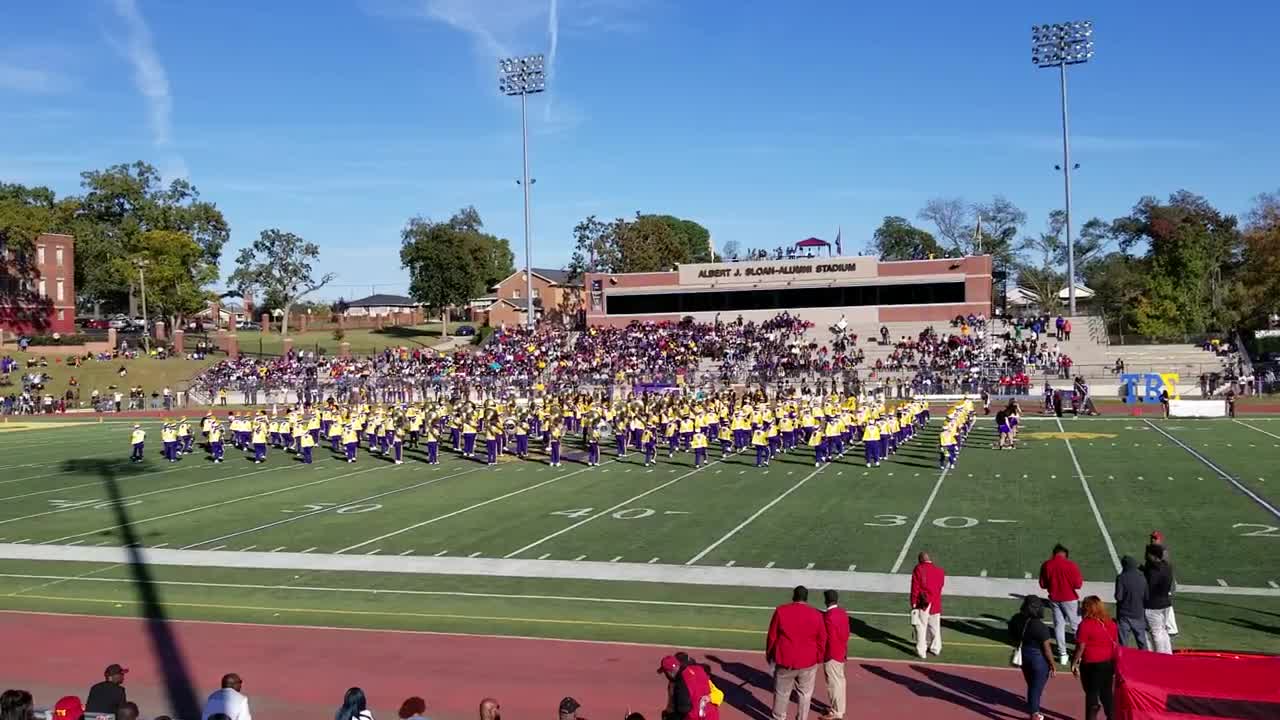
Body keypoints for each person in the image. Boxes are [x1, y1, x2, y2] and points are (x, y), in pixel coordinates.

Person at [766, 586, 826, 720]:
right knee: (805, 694)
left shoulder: (781, 611)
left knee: (782, 693)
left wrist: (770, 655)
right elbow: (822, 638)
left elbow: (772, 636)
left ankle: (778, 718)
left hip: (785, 659)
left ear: (794, 596)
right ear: (806, 598)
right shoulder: (816, 614)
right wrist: (819, 657)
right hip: (808, 661)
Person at [1071, 596, 1118, 720]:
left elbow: (1081, 647)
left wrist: (1074, 662)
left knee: (1091, 693)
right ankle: (1111, 716)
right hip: (1108, 663)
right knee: (1107, 693)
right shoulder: (1110, 623)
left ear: (1087, 609)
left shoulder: (1085, 625)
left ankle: (1092, 714)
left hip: (1091, 665)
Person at [1010, 595, 1056, 720]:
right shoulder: (1040, 626)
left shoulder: (1015, 619)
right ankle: (1034, 714)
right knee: (1036, 687)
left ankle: (1033, 705)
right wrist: (1052, 664)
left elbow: (1011, 636)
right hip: (1038, 658)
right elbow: (1047, 649)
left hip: (1023, 655)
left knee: (1031, 683)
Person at [1039, 543, 1083, 666]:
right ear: (1065, 555)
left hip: (1054, 598)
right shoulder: (1071, 565)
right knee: (1076, 626)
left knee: (1059, 626)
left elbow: (1043, 584)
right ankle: (1080, 653)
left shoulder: (1047, 565)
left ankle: (1063, 654)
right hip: (1069, 598)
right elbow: (1078, 584)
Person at [909, 552, 945, 659]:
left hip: (923, 602)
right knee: (935, 626)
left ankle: (921, 651)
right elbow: (940, 586)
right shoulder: (940, 571)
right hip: (936, 601)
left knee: (920, 626)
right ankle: (936, 648)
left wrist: (913, 602)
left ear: (920, 560)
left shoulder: (918, 569)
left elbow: (915, 587)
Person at [658, 655, 717, 720]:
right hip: (712, 715)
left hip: (696, 717)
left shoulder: (680, 683)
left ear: (669, 672)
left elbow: (683, 709)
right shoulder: (699, 669)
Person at [820, 590, 849, 720]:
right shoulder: (842, 613)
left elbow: (828, 638)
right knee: (840, 681)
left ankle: (836, 712)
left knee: (833, 683)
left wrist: (824, 654)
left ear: (826, 601)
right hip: (841, 651)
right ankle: (839, 709)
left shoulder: (828, 616)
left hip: (832, 654)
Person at [1143, 545, 1175, 654]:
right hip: (1165, 602)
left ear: (1153, 556)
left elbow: (1149, 587)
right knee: (1163, 631)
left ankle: (1160, 657)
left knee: (1156, 632)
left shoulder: (1153, 571)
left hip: (1153, 605)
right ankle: (1168, 653)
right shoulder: (1167, 567)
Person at [1113, 555, 1149, 649]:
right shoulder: (1142, 577)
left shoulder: (1121, 578)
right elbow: (1146, 596)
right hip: (1138, 613)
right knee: (1141, 640)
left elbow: (1119, 597)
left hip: (1124, 615)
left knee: (1123, 642)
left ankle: (1123, 661)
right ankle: (1145, 659)